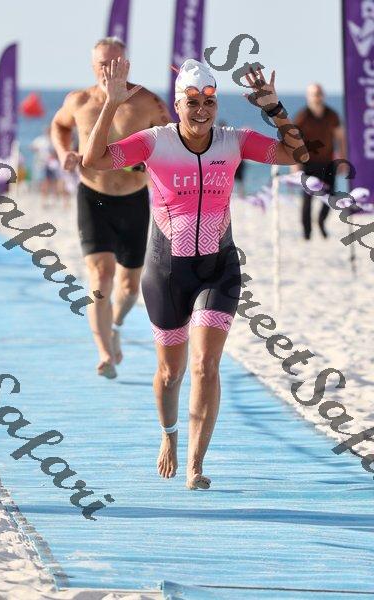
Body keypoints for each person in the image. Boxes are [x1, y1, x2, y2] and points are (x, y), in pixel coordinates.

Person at [83, 57, 309, 489]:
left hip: (218, 269)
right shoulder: (155, 142)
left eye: (209, 101)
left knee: (206, 364)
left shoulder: (234, 141)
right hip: (167, 272)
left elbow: (298, 155)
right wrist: (111, 103)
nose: (202, 110)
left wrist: (275, 109)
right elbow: (94, 160)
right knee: (171, 373)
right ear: (178, 104)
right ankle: (169, 435)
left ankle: (196, 464)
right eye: (192, 102)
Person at [51, 37, 171, 379]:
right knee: (100, 275)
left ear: (127, 64)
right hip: (93, 197)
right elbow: (59, 125)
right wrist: (63, 152)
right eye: (103, 64)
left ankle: (116, 325)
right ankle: (104, 352)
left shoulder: (148, 102)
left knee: (130, 288)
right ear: (93, 67)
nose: (110, 70)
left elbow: (172, 140)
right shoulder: (79, 100)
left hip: (134, 199)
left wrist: (152, 163)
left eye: (116, 63)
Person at [292, 84, 346, 239]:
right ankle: (307, 233)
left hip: (328, 163)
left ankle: (321, 221)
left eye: (319, 93)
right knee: (307, 199)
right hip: (308, 163)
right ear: (308, 96)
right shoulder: (302, 116)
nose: (317, 97)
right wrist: (295, 164)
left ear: (323, 95)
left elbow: (340, 138)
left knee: (331, 196)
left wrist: (343, 159)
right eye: (314, 94)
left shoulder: (332, 115)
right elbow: (294, 141)